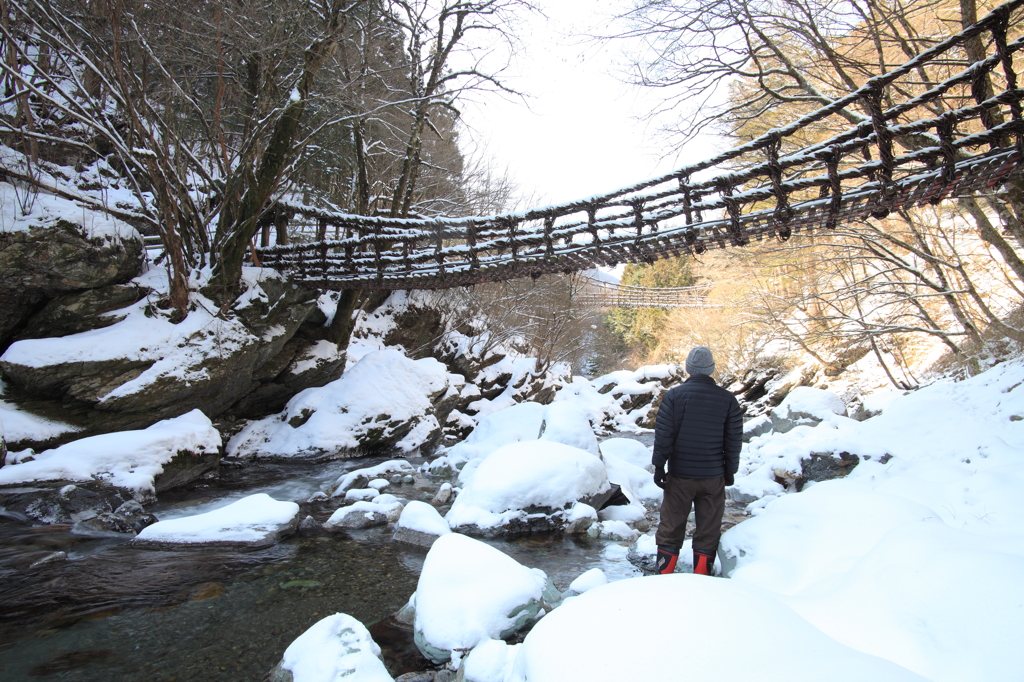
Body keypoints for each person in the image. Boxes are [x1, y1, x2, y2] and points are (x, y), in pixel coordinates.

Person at [651, 346, 742, 576]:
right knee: (708, 530)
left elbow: (664, 436)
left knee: (671, 527)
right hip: (713, 477)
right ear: (711, 369)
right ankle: (702, 580)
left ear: (688, 368)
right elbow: (733, 441)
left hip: (680, 476)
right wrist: (730, 471)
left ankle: (663, 578)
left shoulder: (674, 396)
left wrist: (659, 466)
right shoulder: (728, 400)